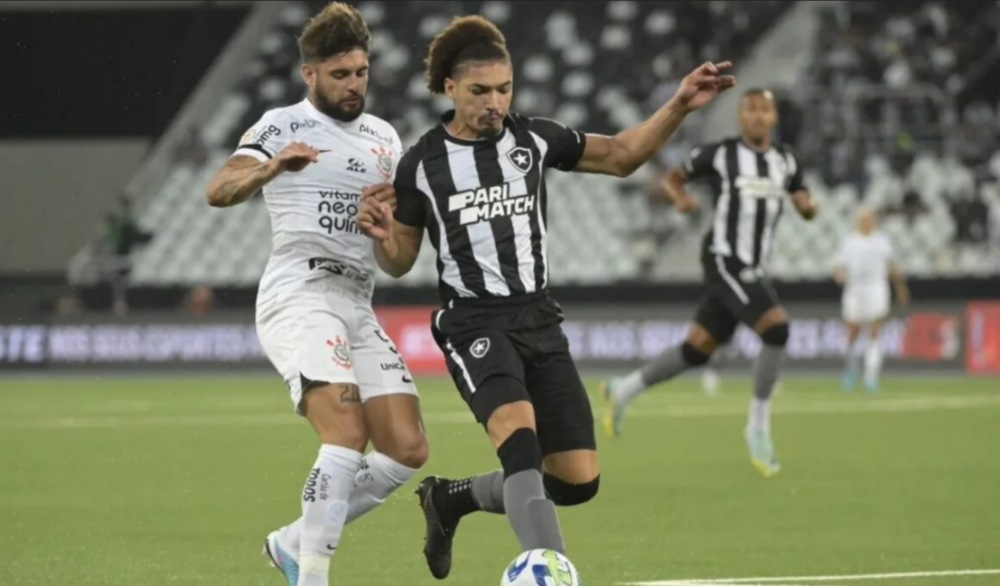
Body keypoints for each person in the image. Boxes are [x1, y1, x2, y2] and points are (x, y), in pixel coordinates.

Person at [357, 15, 734, 579]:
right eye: (480, 91)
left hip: (539, 317)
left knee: (576, 481)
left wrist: (679, 103)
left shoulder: (532, 138)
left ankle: (450, 498)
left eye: (504, 89)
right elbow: (401, 259)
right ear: (450, 88)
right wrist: (383, 237)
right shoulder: (421, 166)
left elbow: (623, 155)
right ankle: (551, 570)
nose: (495, 102)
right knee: (521, 448)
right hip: (474, 323)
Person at [204, 4, 428, 586]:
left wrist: (388, 229)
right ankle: (313, 576)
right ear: (310, 75)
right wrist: (271, 168)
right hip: (299, 290)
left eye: (360, 72)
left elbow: (400, 261)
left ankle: (291, 542)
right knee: (347, 435)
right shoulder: (281, 126)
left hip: (357, 297)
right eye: (340, 75)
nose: (354, 85)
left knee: (406, 448)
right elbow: (219, 188)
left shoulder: (385, 139)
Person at [601, 89, 818, 478]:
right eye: (749, 109)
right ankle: (757, 427)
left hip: (753, 266)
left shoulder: (785, 160)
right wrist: (679, 198)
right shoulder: (720, 154)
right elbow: (673, 177)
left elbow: (802, 193)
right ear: (740, 116)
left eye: (763, 110)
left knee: (697, 350)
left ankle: (624, 389)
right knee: (777, 328)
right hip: (724, 258)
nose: (756, 116)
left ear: (772, 118)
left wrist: (807, 205)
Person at [832, 207, 910, 392]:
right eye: (862, 219)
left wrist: (901, 287)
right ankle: (851, 368)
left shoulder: (882, 242)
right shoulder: (849, 241)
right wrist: (839, 274)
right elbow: (836, 265)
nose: (865, 223)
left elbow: (891, 266)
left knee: (875, 331)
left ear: (872, 221)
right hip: (855, 289)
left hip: (876, 288)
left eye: (868, 219)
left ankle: (871, 375)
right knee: (852, 332)